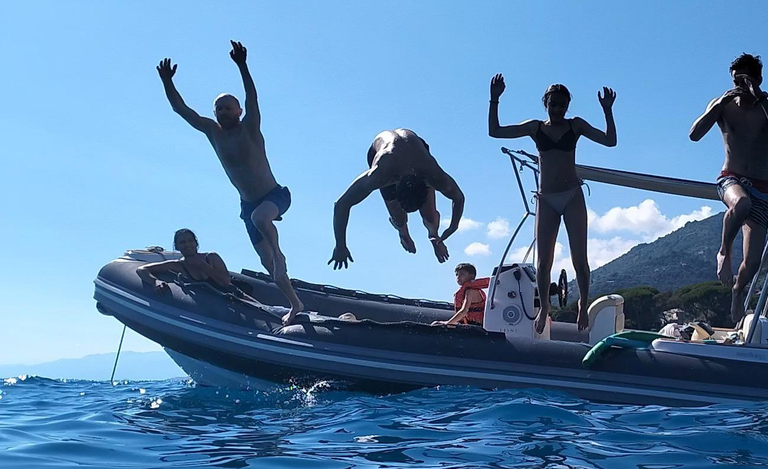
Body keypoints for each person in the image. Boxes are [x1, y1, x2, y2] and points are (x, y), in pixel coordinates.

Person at [156, 41, 303, 325]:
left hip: (274, 196)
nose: (221, 112)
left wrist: (242, 66)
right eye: (217, 109)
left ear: (237, 111)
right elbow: (181, 110)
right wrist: (167, 82)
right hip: (247, 206)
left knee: (263, 219)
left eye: (227, 107)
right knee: (268, 264)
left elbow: (252, 97)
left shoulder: (250, 127)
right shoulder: (213, 132)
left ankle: (280, 253)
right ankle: (294, 303)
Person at [488, 74, 617, 334]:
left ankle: (583, 301)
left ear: (568, 105)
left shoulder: (575, 126)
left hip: (572, 196)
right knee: (544, 262)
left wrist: (607, 111)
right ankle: (545, 307)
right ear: (545, 104)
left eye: (562, 105)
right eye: (553, 104)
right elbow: (495, 131)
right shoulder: (535, 128)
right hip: (546, 198)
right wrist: (494, 99)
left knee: (580, 258)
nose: (558, 109)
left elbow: (610, 141)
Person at [689, 53, 768, 324]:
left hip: (763, 188)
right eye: (736, 81)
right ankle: (723, 251)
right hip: (731, 179)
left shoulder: (766, 106)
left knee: (754, 263)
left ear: (757, 79)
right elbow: (694, 135)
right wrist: (717, 106)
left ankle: (737, 291)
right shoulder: (723, 104)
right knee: (741, 203)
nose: (740, 87)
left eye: (745, 80)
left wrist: (759, 98)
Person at [328, 129, 465, 269]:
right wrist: (340, 245)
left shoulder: (432, 173)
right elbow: (341, 204)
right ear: (394, 182)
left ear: (426, 184)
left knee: (430, 216)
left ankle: (434, 236)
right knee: (399, 217)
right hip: (382, 154)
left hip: (418, 154)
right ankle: (402, 231)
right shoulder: (380, 174)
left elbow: (459, 198)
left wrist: (453, 226)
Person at [137, 229, 237, 295]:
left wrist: (203, 266)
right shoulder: (178, 265)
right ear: (177, 247)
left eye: (190, 241)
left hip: (231, 298)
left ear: (196, 243)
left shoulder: (211, 257)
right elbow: (141, 269)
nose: (187, 245)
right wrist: (155, 282)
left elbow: (226, 282)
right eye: (182, 242)